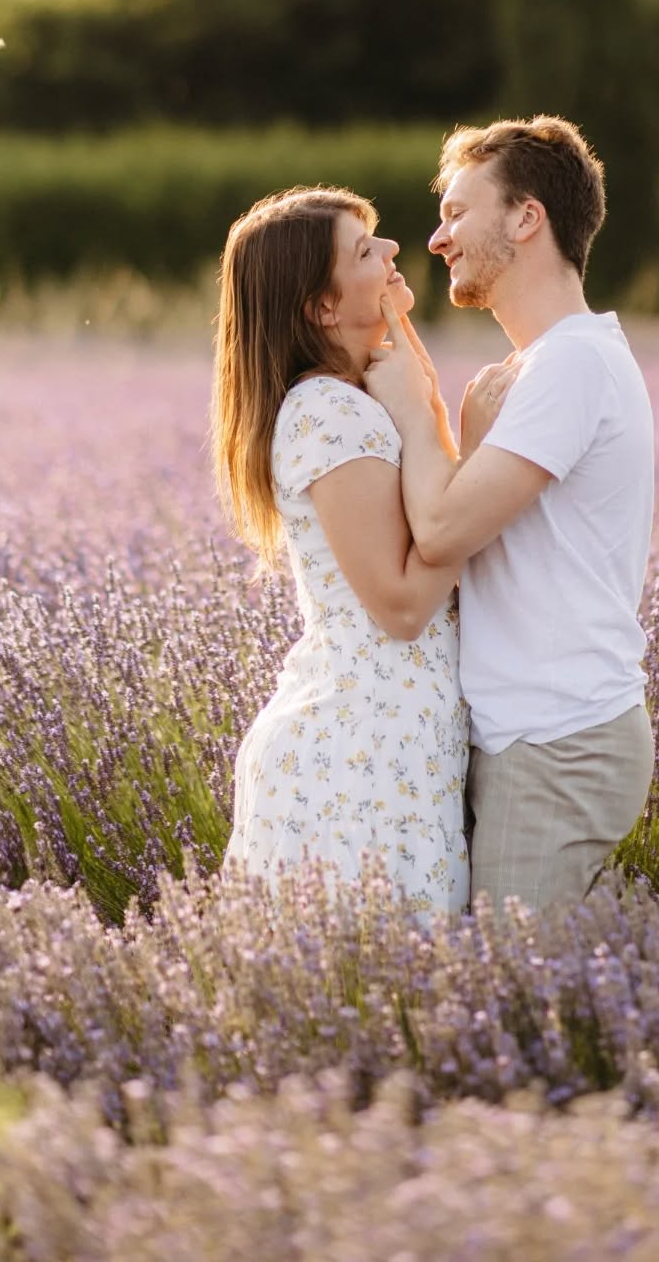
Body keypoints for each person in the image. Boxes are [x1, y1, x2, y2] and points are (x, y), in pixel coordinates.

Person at [365, 116, 656, 912]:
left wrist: (416, 407)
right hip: (537, 735)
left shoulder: (570, 364)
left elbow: (443, 532)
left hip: (557, 742)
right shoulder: (547, 364)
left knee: (512, 980)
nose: (436, 239)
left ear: (527, 218)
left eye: (458, 213)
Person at [211, 186, 471, 918]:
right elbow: (403, 606)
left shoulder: (357, 401)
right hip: (359, 761)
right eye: (364, 250)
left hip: (384, 749)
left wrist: (420, 402)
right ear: (322, 307)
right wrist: (483, 491)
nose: (392, 250)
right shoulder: (330, 412)